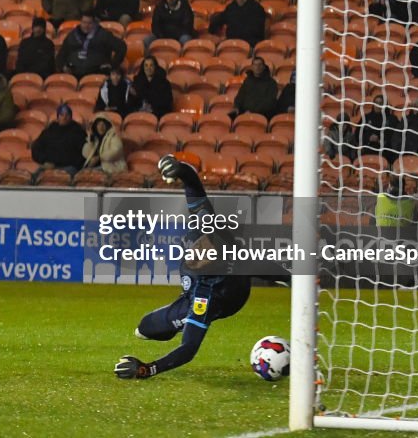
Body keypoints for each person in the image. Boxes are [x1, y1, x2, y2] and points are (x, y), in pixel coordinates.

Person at [114, 155, 253, 379]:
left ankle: (185, 318)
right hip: (215, 280)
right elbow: (193, 184)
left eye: (201, 255)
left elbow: (188, 350)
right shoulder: (207, 224)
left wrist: (147, 369)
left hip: (227, 297)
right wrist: (177, 168)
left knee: (153, 327)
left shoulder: (205, 297)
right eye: (198, 246)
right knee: (144, 329)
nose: (194, 253)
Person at [56, 12, 126, 78]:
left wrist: (112, 65)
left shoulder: (103, 35)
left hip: (97, 73)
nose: (86, 26)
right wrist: (63, 66)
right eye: (84, 22)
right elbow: (61, 54)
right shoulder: (72, 35)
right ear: (80, 22)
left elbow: (122, 47)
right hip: (73, 73)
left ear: (94, 23)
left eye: (89, 23)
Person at [31, 103, 86, 174]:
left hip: (69, 167)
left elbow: (82, 155)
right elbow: (36, 148)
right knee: (34, 177)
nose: (64, 117)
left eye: (67, 115)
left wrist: (60, 163)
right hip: (49, 165)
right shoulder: (49, 131)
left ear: (71, 117)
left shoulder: (78, 132)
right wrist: (44, 161)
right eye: (62, 115)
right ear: (58, 116)